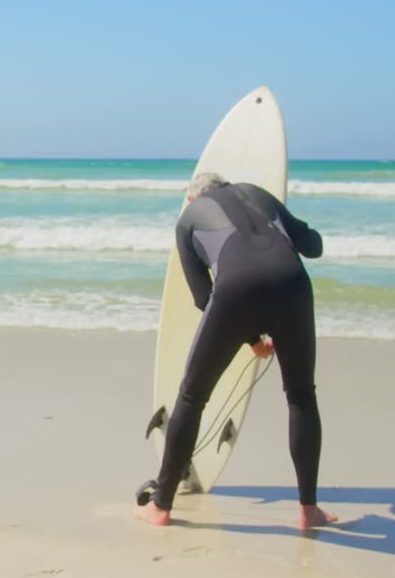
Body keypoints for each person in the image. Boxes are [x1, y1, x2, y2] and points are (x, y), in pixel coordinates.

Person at [136, 173, 338, 530]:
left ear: (191, 199)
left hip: (235, 291)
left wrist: (250, 337)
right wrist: (305, 233)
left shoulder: (187, 220)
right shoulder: (258, 194)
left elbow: (204, 298)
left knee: (192, 397)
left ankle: (161, 506)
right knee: (301, 397)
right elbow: (313, 247)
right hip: (293, 286)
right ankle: (309, 511)